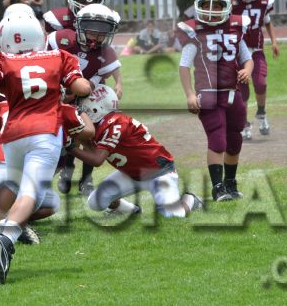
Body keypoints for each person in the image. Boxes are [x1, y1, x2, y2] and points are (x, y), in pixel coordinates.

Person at [0, 12, 92, 285]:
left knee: (11, 186)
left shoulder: (3, 59)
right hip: (44, 132)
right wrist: (87, 84)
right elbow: (80, 87)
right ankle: (7, 239)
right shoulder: (59, 56)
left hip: (12, 135)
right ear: (38, 36)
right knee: (30, 193)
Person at [0, 95, 95, 266]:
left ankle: (0, 224)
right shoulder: (60, 110)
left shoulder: (2, 108)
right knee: (38, 199)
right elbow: (89, 132)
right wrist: (79, 111)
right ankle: (10, 226)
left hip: (3, 167)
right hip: (24, 170)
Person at [72, 85, 203, 217]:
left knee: (172, 215)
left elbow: (97, 159)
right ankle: (130, 210)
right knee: (95, 202)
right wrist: (77, 137)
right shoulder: (101, 125)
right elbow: (93, 151)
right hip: (131, 173)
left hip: (158, 173)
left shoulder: (115, 122)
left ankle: (190, 200)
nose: (81, 114)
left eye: (84, 110)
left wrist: (70, 147)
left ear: (96, 108)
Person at [177, 0, 253, 202]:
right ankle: (218, 187)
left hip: (232, 93)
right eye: (206, 5)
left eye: (217, 5)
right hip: (208, 94)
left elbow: (247, 58)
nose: (211, 10)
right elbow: (184, 65)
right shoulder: (194, 31)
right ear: (198, 6)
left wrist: (247, 70)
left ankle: (230, 182)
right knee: (217, 139)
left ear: (226, 7)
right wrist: (189, 94)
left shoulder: (235, 28)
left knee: (235, 140)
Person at [46, 3, 122, 196]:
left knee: (90, 136)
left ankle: (86, 179)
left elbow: (93, 82)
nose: (96, 37)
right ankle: (65, 170)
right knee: (62, 136)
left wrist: (118, 84)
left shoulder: (106, 53)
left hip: (84, 95)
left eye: (101, 33)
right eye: (92, 32)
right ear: (79, 27)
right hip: (56, 94)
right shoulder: (60, 39)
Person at [231, 0, 278, 140]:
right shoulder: (231, 3)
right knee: (242, 91)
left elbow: (267, 22)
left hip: (256, 50)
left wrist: (274, 42)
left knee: (260, 83)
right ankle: (243, 123)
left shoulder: (264, 2)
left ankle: (261, 113)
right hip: (238, 53)